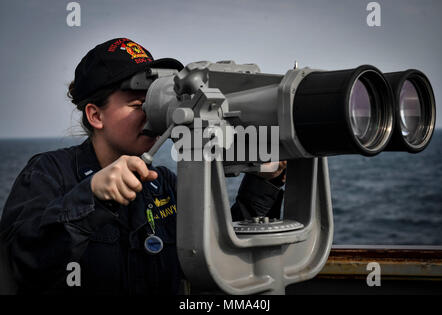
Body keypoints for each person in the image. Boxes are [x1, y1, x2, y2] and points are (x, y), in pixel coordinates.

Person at [0, 38, 286, 295]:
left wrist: (266, 181)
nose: (153, 116)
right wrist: (92, 196)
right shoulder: (48, 173)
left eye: (157, 103)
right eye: (139, 104)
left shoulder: (163, 184)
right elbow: (21, 266)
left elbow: (215, 255)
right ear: (96, 115)